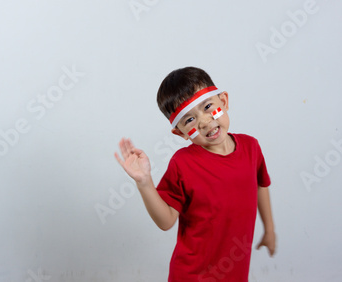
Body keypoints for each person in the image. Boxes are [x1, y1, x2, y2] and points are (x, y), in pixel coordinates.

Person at [114, 67, 276, 281]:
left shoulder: (251, 147)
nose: (205, 122)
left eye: (208, 107)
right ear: (180, 133)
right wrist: (145, 182)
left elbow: (260, 184)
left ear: (224, 101)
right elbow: (166, 221)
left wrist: (269, 228)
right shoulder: (183, 164)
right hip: (191, 276)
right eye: (189, 120)